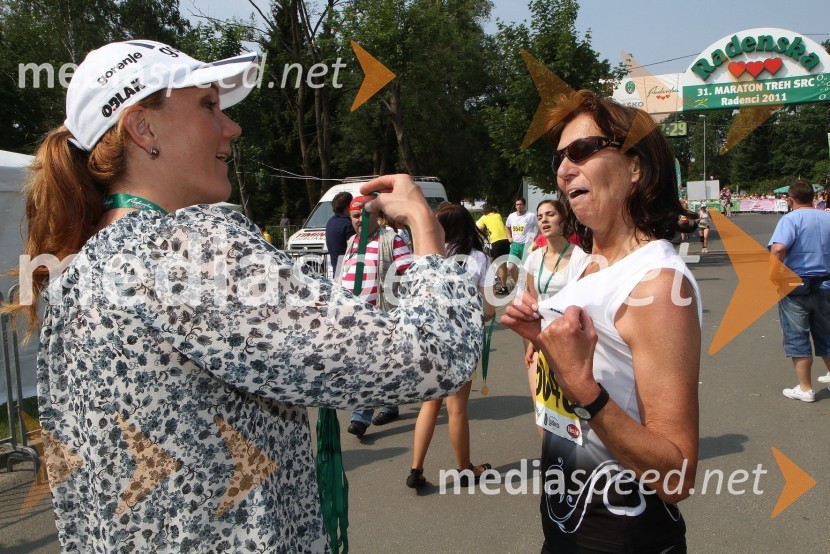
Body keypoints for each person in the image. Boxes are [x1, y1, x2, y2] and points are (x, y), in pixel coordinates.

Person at [4, 40, 483, 552]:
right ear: (143, 128)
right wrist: (424, 227)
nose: (232, 127)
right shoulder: (189, 250)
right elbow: (434, 356)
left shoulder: (76, 274)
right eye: (209, 106)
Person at [502, 90, 701, 553]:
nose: (563, 168)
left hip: (626, 539)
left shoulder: (656, 285)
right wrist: (540, 346)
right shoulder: (585, 265)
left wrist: (582, 386)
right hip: (564, 528)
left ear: (636, 167)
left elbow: (677, 477)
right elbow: (559, 418)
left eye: (583, 151)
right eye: (559, 157)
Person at [406, 203, 495, 488]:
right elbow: (489, 310)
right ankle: (465, 468)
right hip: (462, 342)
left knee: (429, 406)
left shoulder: (428, 257)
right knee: (457, 409)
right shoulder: (479, 259)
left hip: (430, 341)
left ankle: (416, 469)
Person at [339, 196, 414, 437]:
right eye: (356, 216)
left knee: (368, 365)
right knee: (380, 365)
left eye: (365, 214)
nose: (360, 220)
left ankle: (360, 417)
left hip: (382, 315)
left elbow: (410, 273)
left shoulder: (392, 239)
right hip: (354, 316)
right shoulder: (351, 241)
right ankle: (389, 404)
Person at [517, 199, 586, 407]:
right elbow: (531, 302)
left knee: (572, 407)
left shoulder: (581, 258)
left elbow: (585, 306)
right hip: (541, 340)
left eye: (550, 215)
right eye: (539, 217)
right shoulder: (534, 259)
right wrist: (532, 341)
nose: (544, 220)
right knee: (543, 406)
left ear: (563, 220)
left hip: (572, 342)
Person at [768, 181, 830, 402]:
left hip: (796, 285)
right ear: (813, 197)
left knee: (797, 336)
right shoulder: (827, 217)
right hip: (825, 283)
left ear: (791, 199)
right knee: (826, 333)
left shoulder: (790, 219)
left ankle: (805, 388)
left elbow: (779, 248)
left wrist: (773, 274)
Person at [476, 203, 510, 294]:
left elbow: (477, 228)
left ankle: (497, 287)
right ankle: (503, 286)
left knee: (492, 263)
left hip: (496, 242)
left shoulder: (484, 218)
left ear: (484, 211)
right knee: (502, 264)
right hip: (506, 241)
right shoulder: (498, 215)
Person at [505, 197, 538, 287]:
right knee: (511, 268)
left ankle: (527, 287)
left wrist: (536, 239)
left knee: (526, 270)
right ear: (515, 206)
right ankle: (519, 285)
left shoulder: (531, 216)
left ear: (524, 205)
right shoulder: (511, 216)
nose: (519, 206)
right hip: (515, 245)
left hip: (527, 245)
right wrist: (509, 237)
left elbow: (539, 227)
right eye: (517, 205)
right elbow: (507, 226)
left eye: (521, 204)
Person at [324, 190, 356, 273]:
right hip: (347, 269)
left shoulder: (330, 222)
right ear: (348, 207)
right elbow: (355, 247)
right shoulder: (348, 224)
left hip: (336, 267)